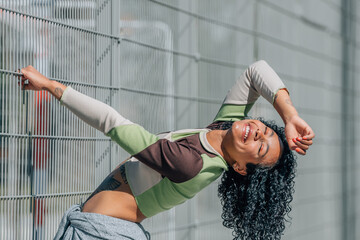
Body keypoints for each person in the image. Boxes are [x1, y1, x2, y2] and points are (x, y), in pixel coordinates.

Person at [19, 60, 314, 240]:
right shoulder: (222, 130)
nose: (258, 133)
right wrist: (289, 116)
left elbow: (113, 123)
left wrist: (50, 85)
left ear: (240, 167)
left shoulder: (191, 164)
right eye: (264, 129)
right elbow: (256, 71)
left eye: (261, 148)